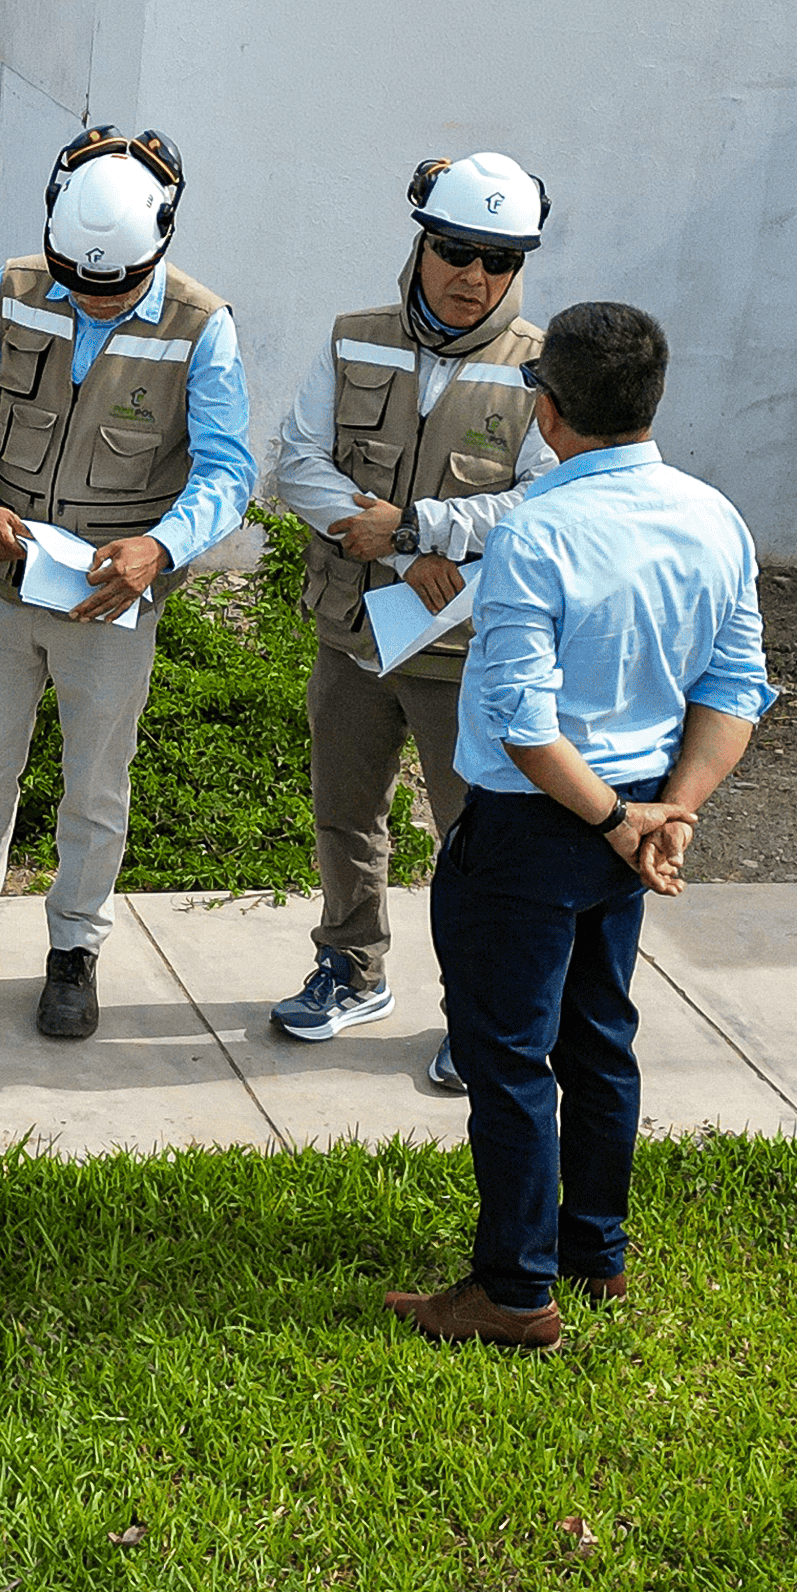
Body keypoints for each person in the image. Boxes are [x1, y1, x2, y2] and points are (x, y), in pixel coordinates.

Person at [389, 300, 774, 1351]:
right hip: (642, 814)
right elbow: (736, 687)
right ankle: (592, 1249)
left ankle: (514, 1292)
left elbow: (520, 722)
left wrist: (614, 820)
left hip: (538, 825)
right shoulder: (714, 517)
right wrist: (669, 814)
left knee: (508, 1058)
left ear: (548, 415)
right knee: (599, 1036)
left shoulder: (537, 530)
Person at [0, 128, 255, 1041]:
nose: (91, 300)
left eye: (114, 286)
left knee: (94, 782)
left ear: (159, 244)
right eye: (77, 282)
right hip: (5, 581)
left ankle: (74, 948)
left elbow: (228, 472)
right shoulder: (14, 290)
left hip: (110, 599)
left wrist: (158, 551)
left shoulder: (203, 326)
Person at [266, 152, 560, 1092]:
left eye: (500, 261)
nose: (475, 277)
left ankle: (477, 1014)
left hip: (466, 652)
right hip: (355, 634)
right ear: (423, 244)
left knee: (471, 840)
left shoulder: (543, 372)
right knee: (346, 814)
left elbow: (544, 501)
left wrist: (430, 524)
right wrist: (400, 549)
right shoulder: (354, 338)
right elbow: (297, 463)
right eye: (457, 251)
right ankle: (350, 970)